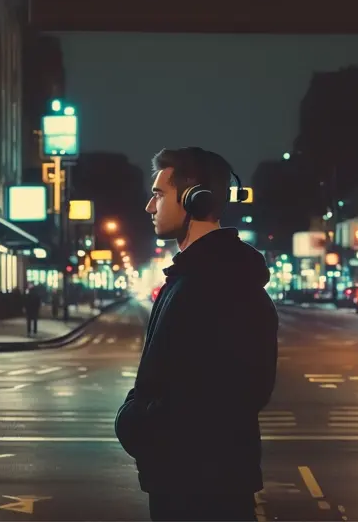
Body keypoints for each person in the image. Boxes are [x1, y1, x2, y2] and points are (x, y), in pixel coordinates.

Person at [115, 147, 279, 521]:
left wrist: (134, 423)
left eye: (158, 194)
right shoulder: (200, 277)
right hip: (195, 478)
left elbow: (227, 392)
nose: (149, 207)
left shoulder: (214, 283)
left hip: (200, 487)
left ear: (194, 199)